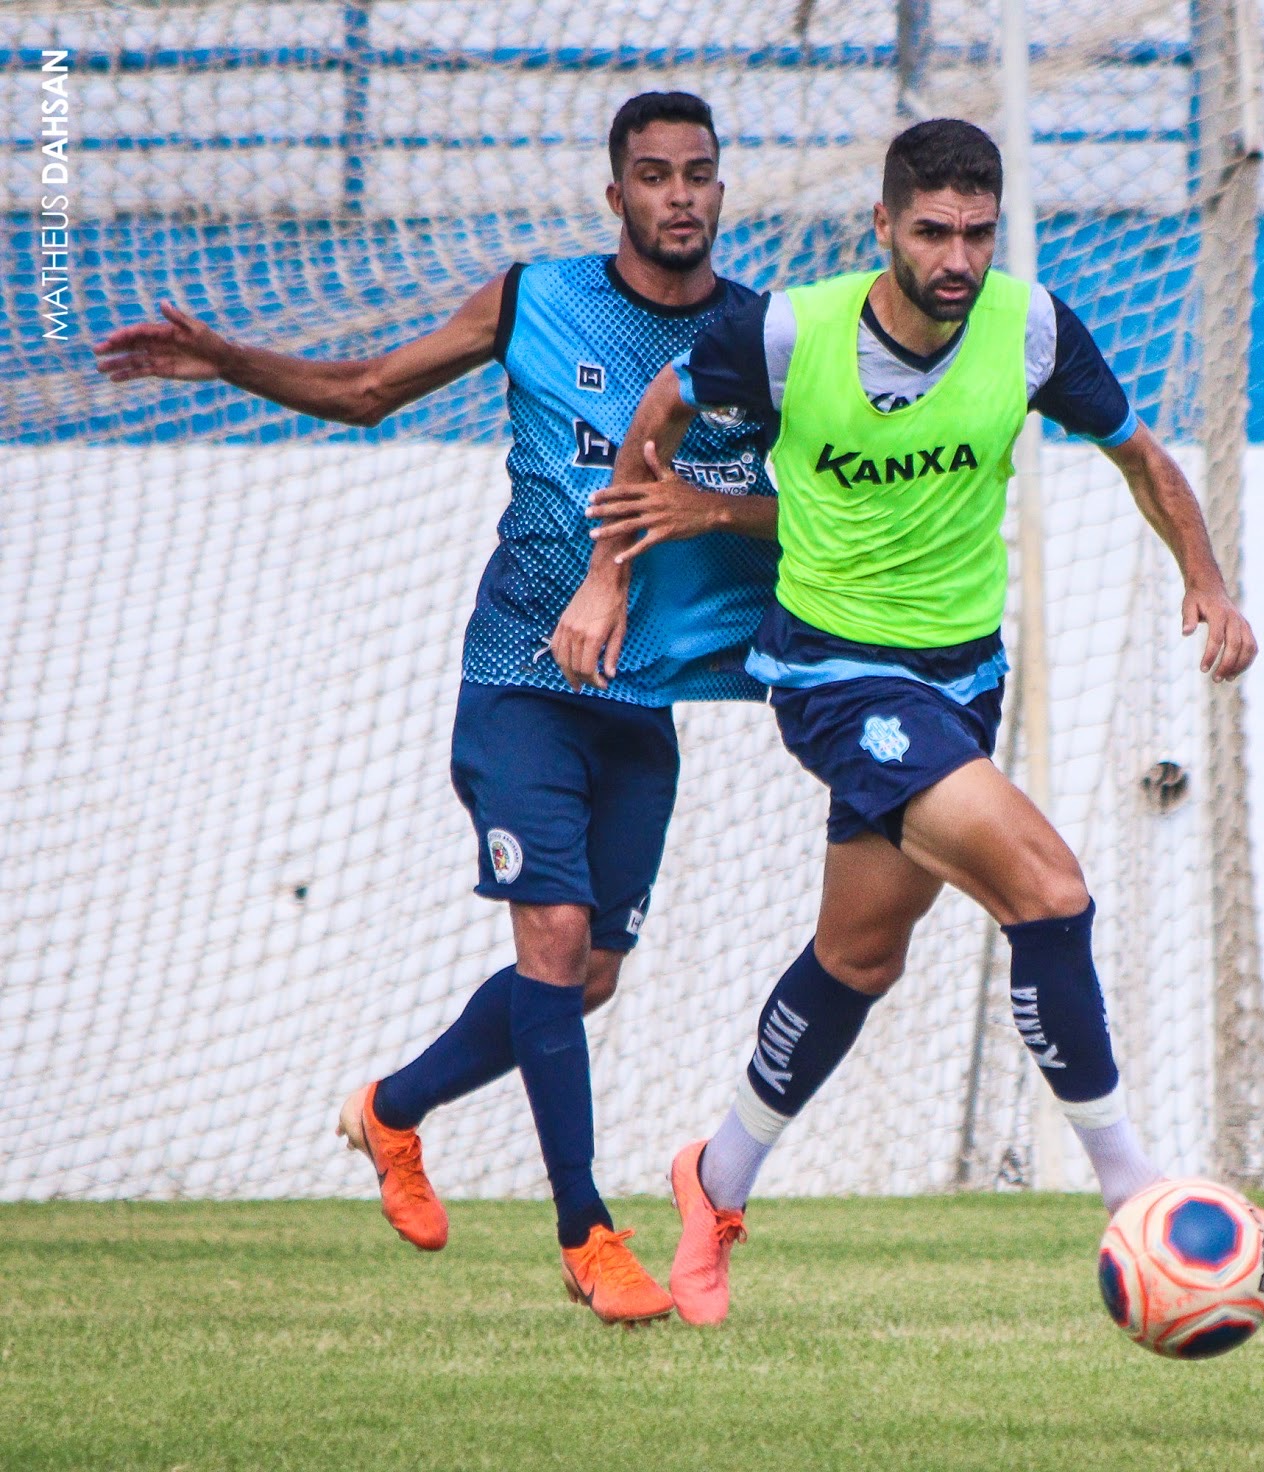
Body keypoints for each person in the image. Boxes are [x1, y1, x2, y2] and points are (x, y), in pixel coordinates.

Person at [94, 92, 781, 1324]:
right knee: (555, 945)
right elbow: (366, 389)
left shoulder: (760, 336)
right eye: (654, 174)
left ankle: (392, 1109)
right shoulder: (535, 300)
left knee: (588, 977)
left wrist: (725, 522)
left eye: (700, 174)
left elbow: (826, 502)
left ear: (723, 192)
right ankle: (587, 1231)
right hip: (520, 678)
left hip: (645, 700)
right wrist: (235, 360)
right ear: (613, 192)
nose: (679, 194)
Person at [583, 117, 1257, 1327]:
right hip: (834, 673)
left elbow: (1141, 456)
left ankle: (712, 1177)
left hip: (962, 679)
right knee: (1048, 887)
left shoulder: (1031, 325)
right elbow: (664, 400)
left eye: (978, 234)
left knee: (859, 956)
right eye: (934, 231)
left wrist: (1204, 578)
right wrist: (615, 563)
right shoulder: (791, 330)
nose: (958, 258)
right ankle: (1131, 1188)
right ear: (884, 225)